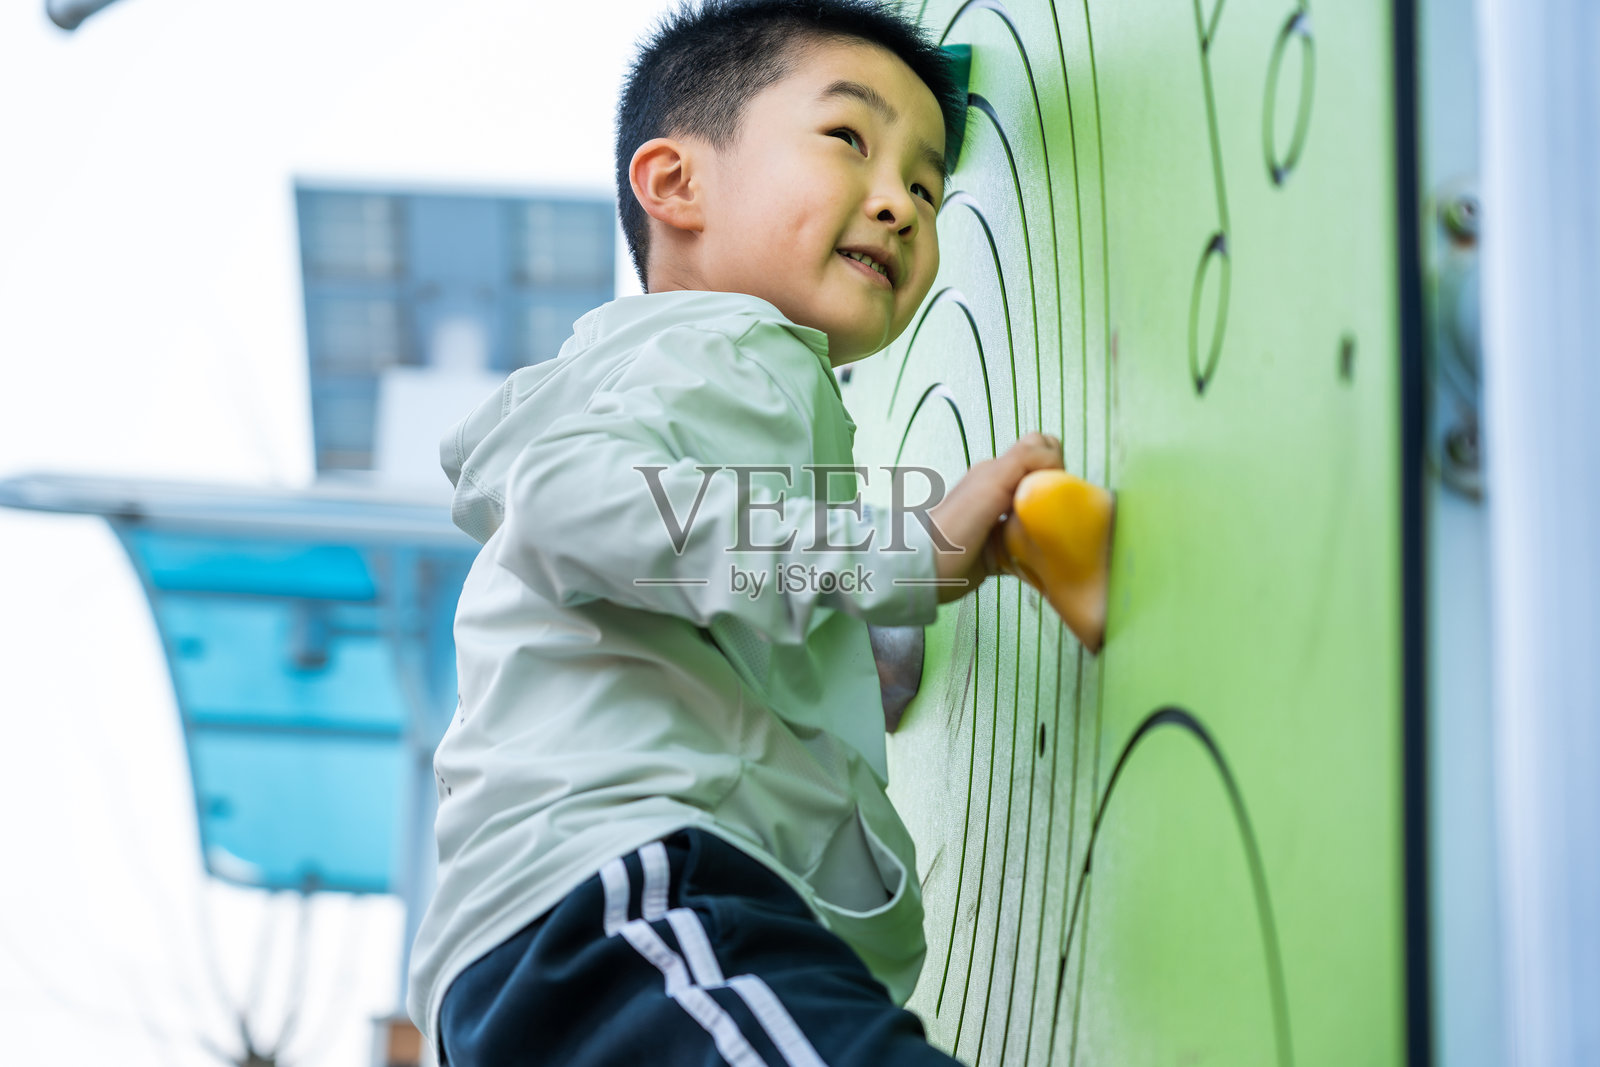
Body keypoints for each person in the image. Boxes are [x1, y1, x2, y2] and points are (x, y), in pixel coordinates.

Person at [407, 1, 1064, 1063]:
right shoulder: (719, 347)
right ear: (676, 185)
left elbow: (693, 561)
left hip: (595, 926)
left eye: (929, 186)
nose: (897, 200)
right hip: (626, 891)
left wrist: (874, 624)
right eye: (849, 139)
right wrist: (902, 548)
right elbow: (583, 504)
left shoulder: (709, 380)